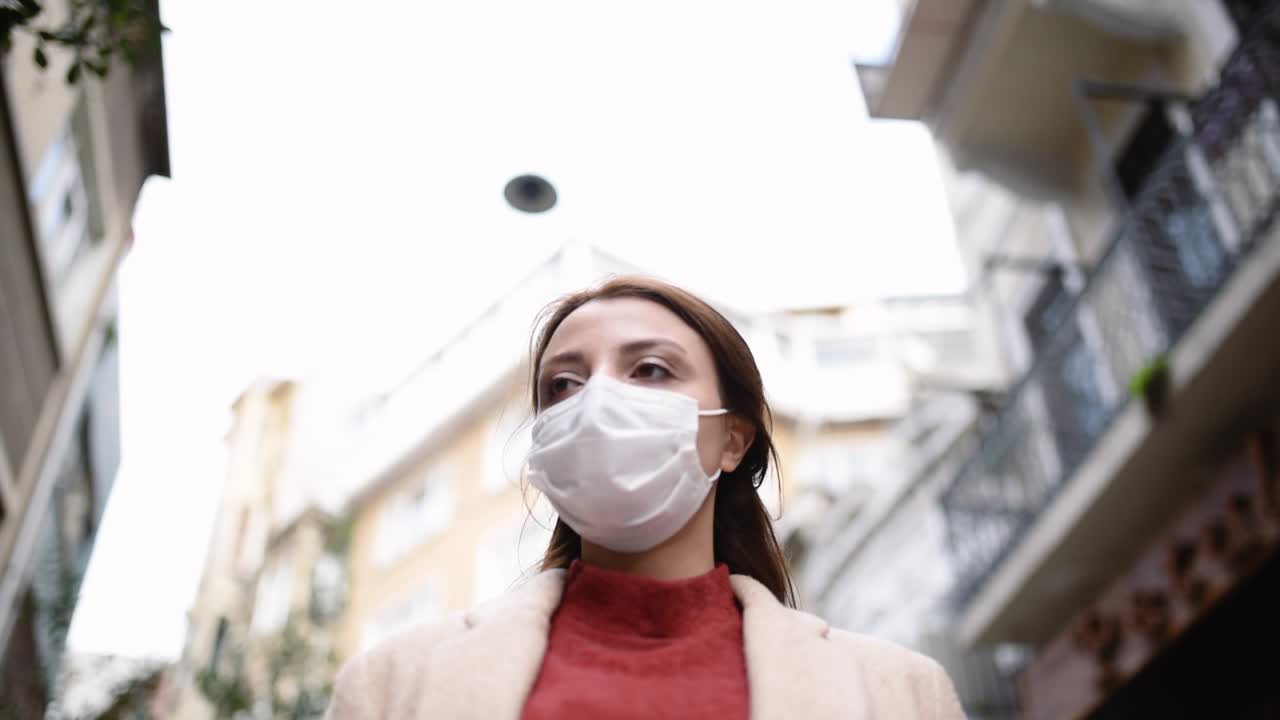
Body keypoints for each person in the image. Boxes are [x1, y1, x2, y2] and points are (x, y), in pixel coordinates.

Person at [324, 276, 965, 719]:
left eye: (650, 370)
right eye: (563, 384)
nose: (598, 400)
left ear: (733, 440)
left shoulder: (902, 694)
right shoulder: (392, 685)